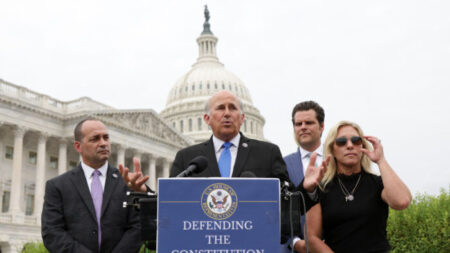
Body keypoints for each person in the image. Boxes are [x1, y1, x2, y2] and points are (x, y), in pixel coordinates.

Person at [307, 121, 412, 253]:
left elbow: (401, 201)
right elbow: (312, 238)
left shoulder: (377, 183)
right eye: (341, 141)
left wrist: (381, 160)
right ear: (332, 149)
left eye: (356, 140)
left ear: (362, 146)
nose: (350, 145)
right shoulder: (321, 188)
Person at [41, 119, 142, 253]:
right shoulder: (57, 186)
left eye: (106, 138)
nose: (103, 143)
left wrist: (143, 193)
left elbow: (138, 226)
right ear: (78, 146)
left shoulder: (127, 182)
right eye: (95, 139)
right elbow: (52, 232)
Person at [282, 101, 325, 253]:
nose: (303, 127)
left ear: (321, 127)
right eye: (298, 123)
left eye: (309, 122)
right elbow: (277, 210)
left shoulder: (337, 160)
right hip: (297, 249)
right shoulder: (282, 164)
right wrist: (294, 242)